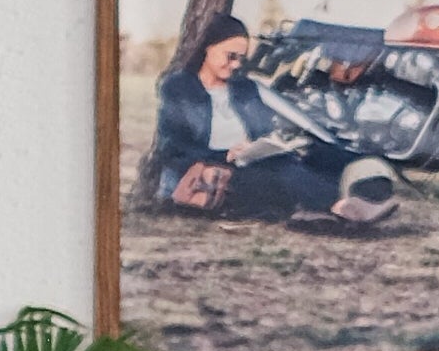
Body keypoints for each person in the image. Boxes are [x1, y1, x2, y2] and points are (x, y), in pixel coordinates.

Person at [146, 18, 398, 226]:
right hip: (213, 173)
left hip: (253, 161)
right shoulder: (178, 87)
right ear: (207, 49)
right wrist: (225, 155)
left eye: (241, 59)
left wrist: (269, 144)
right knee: (282, 175)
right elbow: (172, 148)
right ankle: (341, 206)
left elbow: (264, 132)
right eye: (229, 56)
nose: (235, 65)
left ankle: (364, 191)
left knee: (318, 154)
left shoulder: (244, 88)